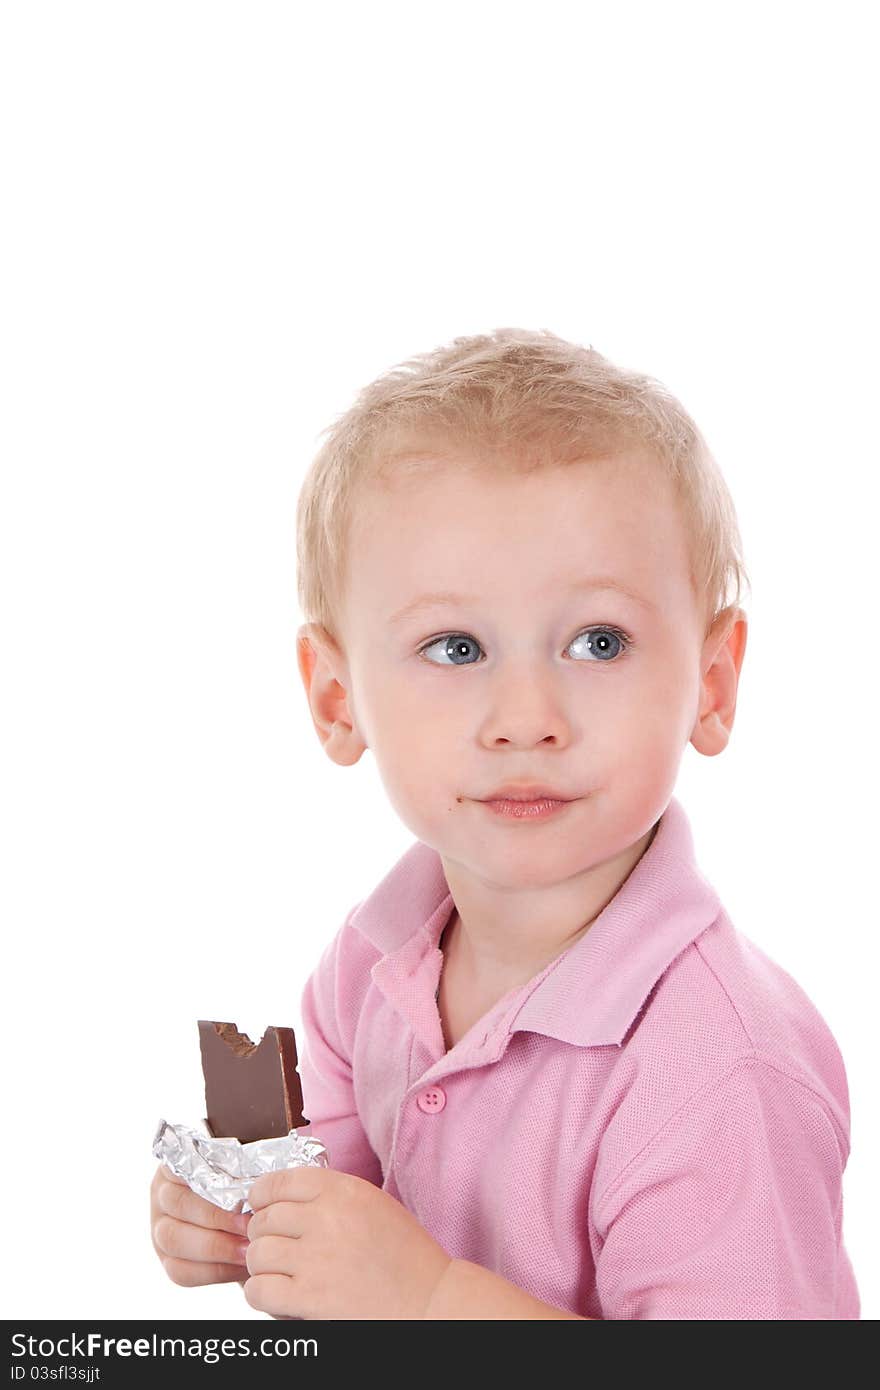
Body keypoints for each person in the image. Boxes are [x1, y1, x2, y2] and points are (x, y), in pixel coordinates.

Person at [151, 327, 860, 1319]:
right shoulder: (376, 957)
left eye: (596, 640)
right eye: (455, 647)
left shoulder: (719, 1074)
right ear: (336, 699)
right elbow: (335, 1190)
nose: (527, 716)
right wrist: (249, 1212)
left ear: (710, 682)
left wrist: (432, 1301)